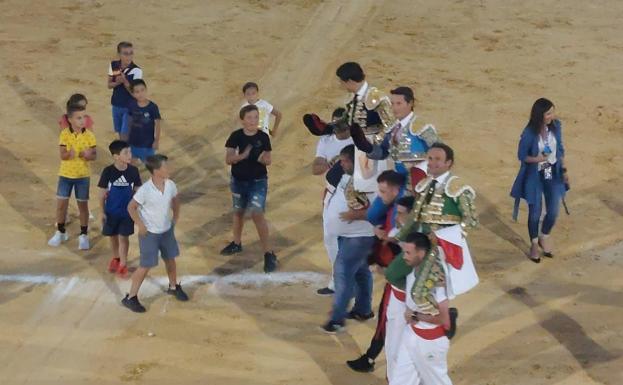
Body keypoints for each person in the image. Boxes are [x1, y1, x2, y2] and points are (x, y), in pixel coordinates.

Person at [346, 173, 408, 375]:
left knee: (386, 319)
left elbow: (402, 249)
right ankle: (371, 357)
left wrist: (385, 266)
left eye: (382, 191)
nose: (380, 196)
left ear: (395, 191)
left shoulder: (402, 219)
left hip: (400, 283)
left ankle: (372, 358)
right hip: (398, 279)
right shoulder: (395, 210)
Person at [320, 144, 377, 334]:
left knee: (342, 274)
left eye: (345, 161)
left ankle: (336, 319)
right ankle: (363, 310)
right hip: (347, 235)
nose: (342, 164)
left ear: (356, 162)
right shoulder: (349, 175)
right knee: (361, 272)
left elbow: (377, 209)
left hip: (359, 236)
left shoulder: (368, 180)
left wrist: (356, 216)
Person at [122, 154, 188, 312]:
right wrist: (140, 225)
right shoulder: (145, 190)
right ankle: (131, 297)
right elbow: (131, 207)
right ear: (156, 171)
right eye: (165, 166)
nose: (169, 168)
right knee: (145, 266)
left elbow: (175, 200)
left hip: (166, 231)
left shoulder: (170, 184)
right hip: (150, 233)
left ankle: (173, 286)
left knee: (170, 260)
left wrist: (176, 217)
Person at [221, 105, 278, 273]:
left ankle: (268, 253)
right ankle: (236, 243)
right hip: (238, 180)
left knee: (256, 213)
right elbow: (228, 159)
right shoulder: (235, 136)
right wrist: (242, 156)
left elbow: (268, 160)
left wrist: (260, 158)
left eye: (255, 117)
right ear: (242, 120)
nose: (253, 120)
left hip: (258, 181)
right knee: (238, 212)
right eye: (250, 117)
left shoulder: (263, 137)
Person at [390, 231, 453, 385]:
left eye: (408, 252)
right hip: (411, 334)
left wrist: (416, 316)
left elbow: (444, 319)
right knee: (400, 381)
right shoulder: (412, 269)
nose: (404, 256)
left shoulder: (437, 279)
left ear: (421, 253)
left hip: (430, 342)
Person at [510, 98, 568, 263]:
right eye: (548, 113)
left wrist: (563, 169)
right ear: (539, 115)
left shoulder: (556, 126)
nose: (552, 116)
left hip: (549, 171)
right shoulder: (529, 133)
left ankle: (544, 236)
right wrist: (537, 159)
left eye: (553, 112)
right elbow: (522, 156)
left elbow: (560, 149)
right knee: (535, 212)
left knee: (554, 210)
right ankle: (534, 244)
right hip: (535, 174)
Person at [350, 86, 440, 189]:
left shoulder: (420, 125)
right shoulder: (392, 129)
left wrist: (426, 173)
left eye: (399, 103)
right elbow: (383, 153)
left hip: (422, 181)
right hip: (400, 182)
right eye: (392, 104)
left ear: (410, 103)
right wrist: (367, 147)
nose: (394, 108)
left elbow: (440, 152)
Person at [313, 107, 353, 295]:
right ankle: (338, 280)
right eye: (337, 126)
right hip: (332, 193)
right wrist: (332, 163)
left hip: (354, 194)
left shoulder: (359, 139)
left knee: (352, 238)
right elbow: (315, 168)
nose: (340, 130)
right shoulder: (326, 141)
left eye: (343, 125)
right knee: (330, 238)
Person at [48, 105, 97, 250]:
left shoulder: (89, 135)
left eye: (84, 117)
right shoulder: (64, 134)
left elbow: (94, 155)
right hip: (65, 175)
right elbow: (62, 155)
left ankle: (83, 235)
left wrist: (86, 155)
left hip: (82, 176)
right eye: (79, 118)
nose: (83, 120)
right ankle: (61, 232)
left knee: (83, 206)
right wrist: (71, 154)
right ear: (70, 120)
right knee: (61, 205)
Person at [98, 140, 142, 278]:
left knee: (124, 237)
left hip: (126, 213)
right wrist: (102, 211)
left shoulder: (133, 171)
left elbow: (137, 190)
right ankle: (116, 258)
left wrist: (134, 207)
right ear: (116, 156)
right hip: (111, 212)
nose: (130, 155)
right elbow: (101, 193)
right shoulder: (108, 171)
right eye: (126, 152)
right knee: (113, 236)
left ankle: (123, 263)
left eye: (130, 151)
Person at [107, 41, 143, 140]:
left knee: (124, 136)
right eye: (125, 53)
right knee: (119, 132)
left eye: (131, 53)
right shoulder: (114, 65)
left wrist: (125, 81)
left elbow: (136, 94)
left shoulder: (137, 71)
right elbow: (109, 85)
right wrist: (118, 82)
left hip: (129, 108)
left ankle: (129, 154)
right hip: (116, 105)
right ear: (119, 54)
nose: (129, 56)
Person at [127, 79, 162, 164]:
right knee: (131, 166)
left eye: (142, 90)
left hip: (148, 145)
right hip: (133, 143)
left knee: (150, 166)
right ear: (133, 94)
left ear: (146, 90)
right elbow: (129, 120)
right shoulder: (132, 105)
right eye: (137, 92)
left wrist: (156, 140)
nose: (140, 93)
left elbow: (157, 124)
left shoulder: (152, 107)